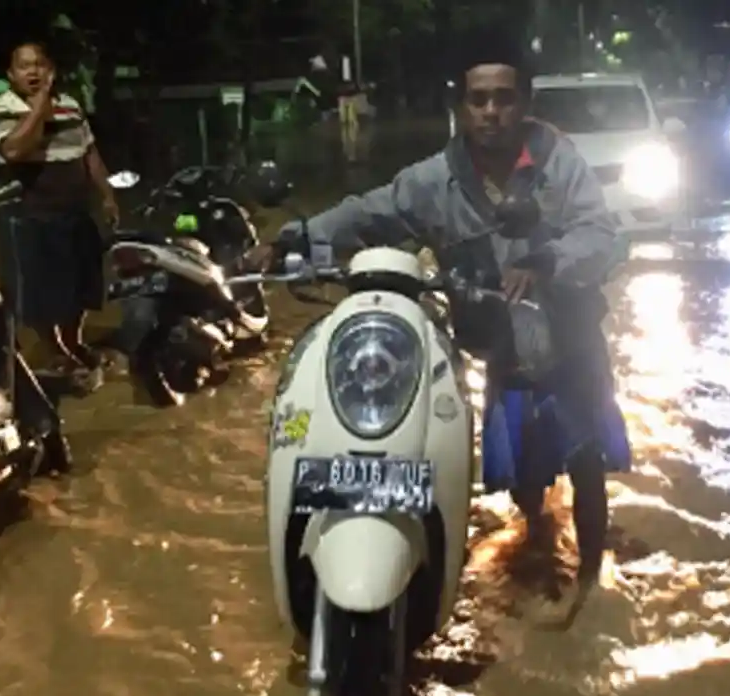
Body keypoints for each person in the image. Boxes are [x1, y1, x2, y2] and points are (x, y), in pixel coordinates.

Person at [255, 33, 630, 595]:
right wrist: (294, 238)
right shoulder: (433, 180)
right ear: (462, 107)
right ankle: (538, 541)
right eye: (479, 100)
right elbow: (371, 212)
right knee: (525, 479)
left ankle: (593, 583)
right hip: (503, 352)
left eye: (504, 98)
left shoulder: (560, 164)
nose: (491, 112)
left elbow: (604, 236)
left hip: (570, 341)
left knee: (587, 463)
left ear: (524, 104)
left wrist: (547, 259)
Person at [0, 41, 118, 384]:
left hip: (76, 211)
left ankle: (73, 341)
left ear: (51, 70)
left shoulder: (71, 106)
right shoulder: (2, 109)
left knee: (81, 285)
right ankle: (53, 348)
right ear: (11, 75)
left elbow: (89, 153)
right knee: (41, 292)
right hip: (31, 217)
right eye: (24, 66)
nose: (33, 72)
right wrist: (39, 108)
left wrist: (107, 196)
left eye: (39, 65)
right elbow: (14, 150)